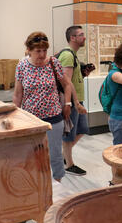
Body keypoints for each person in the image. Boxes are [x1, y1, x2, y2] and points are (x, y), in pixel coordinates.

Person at [13, 32, 72, 182]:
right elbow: (18, 94)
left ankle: (57, 183)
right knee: (31, 155)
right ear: (29, 50)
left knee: (55, 154)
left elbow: (67, 85)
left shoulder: (53, 63)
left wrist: (68, 103)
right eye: (38, 51)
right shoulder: (22, 66)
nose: (42, 54)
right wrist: (15, 115)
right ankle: (36, 184)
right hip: (30, 120)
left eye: (44, 50)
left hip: (53, 118)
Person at [56, 26, 89, 177]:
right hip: (72, 102)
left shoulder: (73, 55)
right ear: (73, 38)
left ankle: (64, 156)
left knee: (82, 129)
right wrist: (73, 103)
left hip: (77, 100)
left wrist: (83, 73)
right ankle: (69, 164)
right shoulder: (68, 55)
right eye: (81, 35)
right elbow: (67, 82)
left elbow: (71, 78)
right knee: (69, 134)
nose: (85, 37)